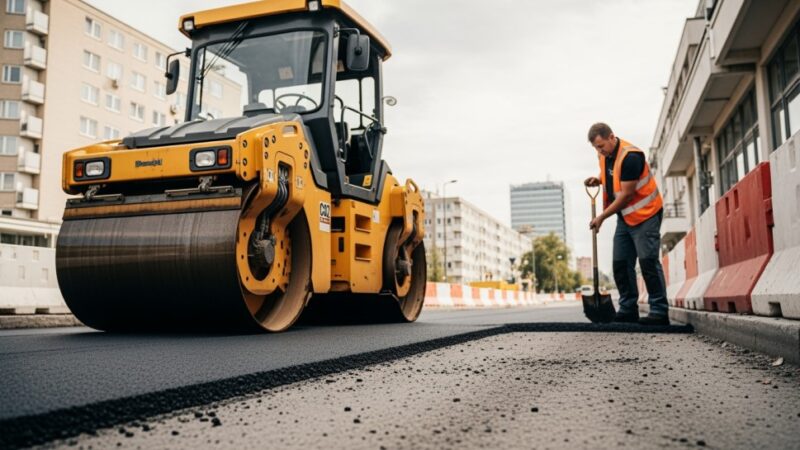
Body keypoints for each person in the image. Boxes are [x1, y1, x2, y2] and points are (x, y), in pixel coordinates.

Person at [583, 122, 669, 325]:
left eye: (601, 146)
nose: (599, 151)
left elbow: (626, 195)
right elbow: (612, 173)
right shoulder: (604, 155)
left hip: (646, 215)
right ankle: (628, 309)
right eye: (596, 148)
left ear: (611, 137)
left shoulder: (631, 157)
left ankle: (659, 311)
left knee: (648, 262)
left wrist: (601, 217)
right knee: (620, 264)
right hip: (626, 218)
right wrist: (599, 179)